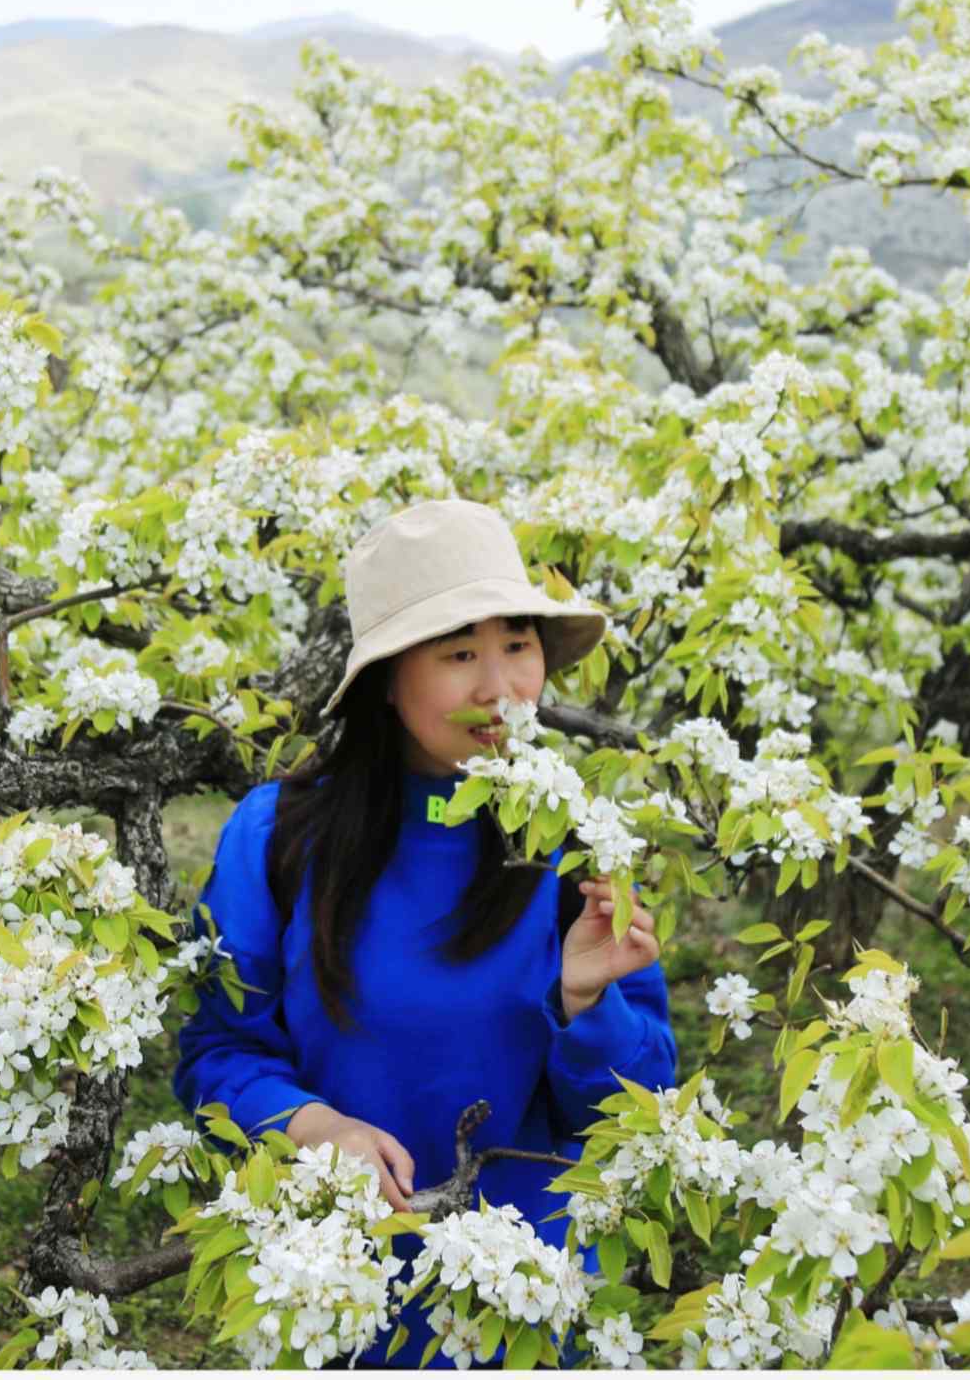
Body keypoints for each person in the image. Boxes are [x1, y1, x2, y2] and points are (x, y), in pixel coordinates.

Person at [172, 498, 678, 1369]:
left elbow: (632, 1120)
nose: (499, 687)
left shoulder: (573, 843)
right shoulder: (280, 835)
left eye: (516, 644)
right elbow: (217, 1052)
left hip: (524, 1305)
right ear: (386, 676)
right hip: (331, 1292)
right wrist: (313, 1126)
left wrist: (588, 1001)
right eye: (458, 653)